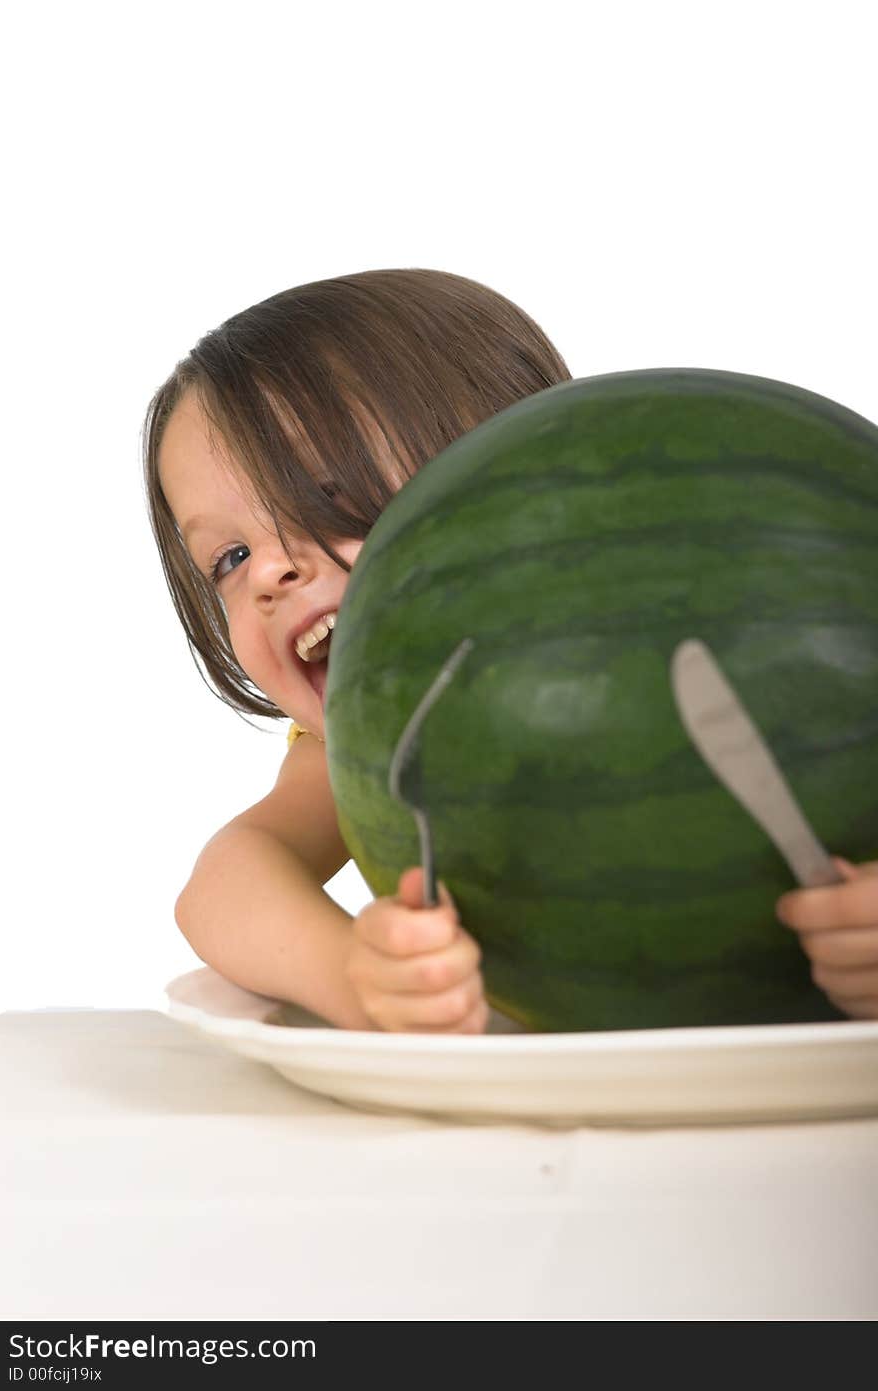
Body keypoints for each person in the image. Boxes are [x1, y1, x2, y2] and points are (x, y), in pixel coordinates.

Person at [144, 267, 878, 1031]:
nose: (268, 570)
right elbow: (224, 887)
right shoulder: (380, 740)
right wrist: (352, 974)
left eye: (324, 496)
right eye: (227, 557)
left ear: (510, 471)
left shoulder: (755, 626)